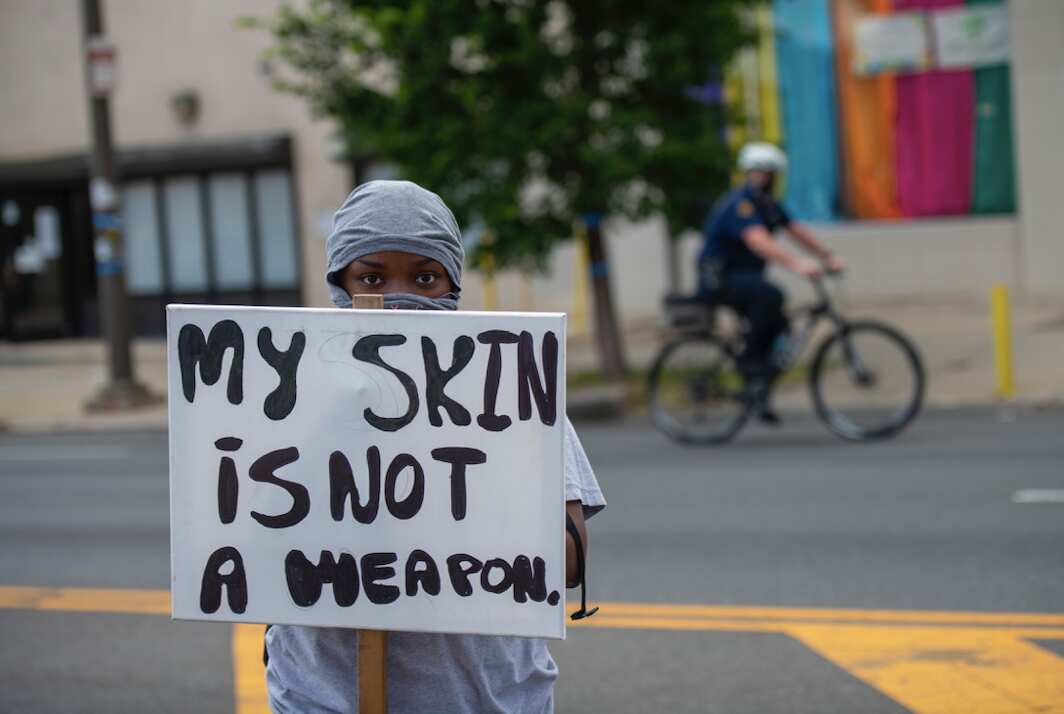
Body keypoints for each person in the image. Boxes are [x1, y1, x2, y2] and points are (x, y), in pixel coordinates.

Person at [265, 180, 607, 713]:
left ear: (452, 284)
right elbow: (249, 545)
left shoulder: (510, 389)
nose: (400, 296)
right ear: (340, 282)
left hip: (484, 698)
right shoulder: (288, 393)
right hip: (322, 696)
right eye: (372, 276)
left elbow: (566, 561)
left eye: (425, 277)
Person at [698, 142, 845, 423]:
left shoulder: (766, 204)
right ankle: (749, 365)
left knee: (782, 329)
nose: (768, 179)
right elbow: (758, 241)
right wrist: (797, 264)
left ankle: (759, 391)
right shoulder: (740, 204)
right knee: (771, 296)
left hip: (744, 278)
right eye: (764, 173)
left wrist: (827, 256)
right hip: (719, 278)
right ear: (753, 173)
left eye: (772, 174)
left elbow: (795, 230)